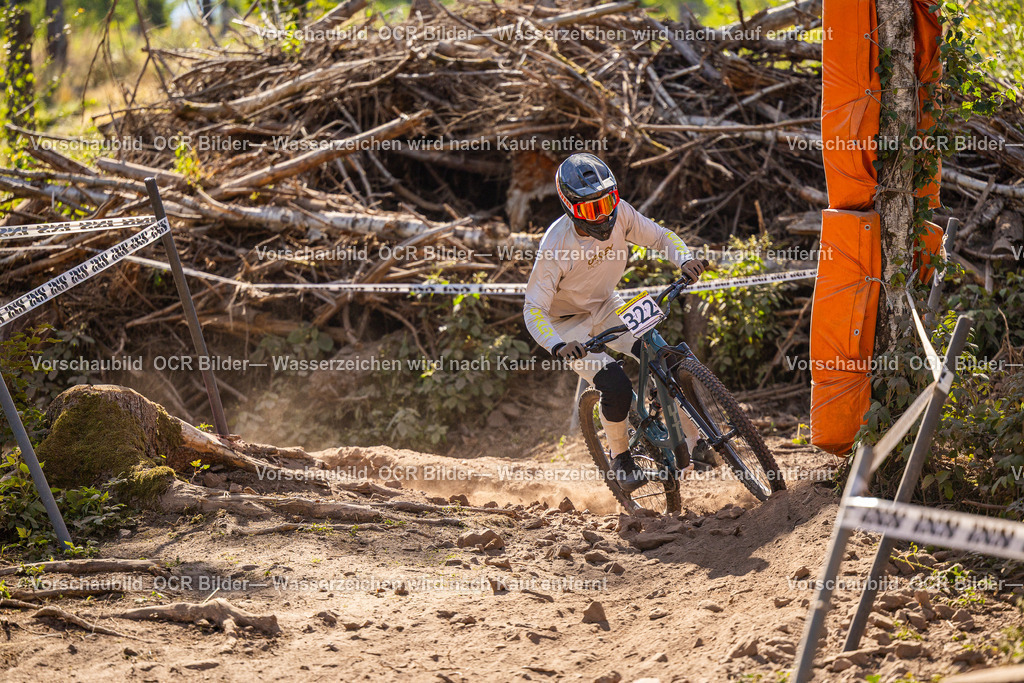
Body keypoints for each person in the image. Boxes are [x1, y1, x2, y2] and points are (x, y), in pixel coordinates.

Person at [523, 153, 706, 493]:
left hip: (606, 303)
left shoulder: (621, 212)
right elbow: (533, 308)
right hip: (565, 324)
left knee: (661, 354)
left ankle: (698, 441)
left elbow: (661, 237)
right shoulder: (555, 245)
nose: (604, 215)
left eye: (608, 202)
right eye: (592, 210)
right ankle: (620, 458)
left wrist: (685, 258)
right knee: (616, 384)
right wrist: (559, 345)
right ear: (570, 207)